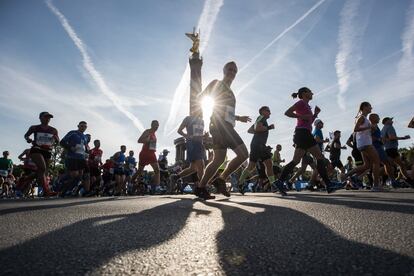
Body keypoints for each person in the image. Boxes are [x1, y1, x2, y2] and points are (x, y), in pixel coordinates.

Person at [197, 61, 251, 197]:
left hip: (224, 125)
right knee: (244, 154)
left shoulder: (231, 92)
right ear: (224, 70)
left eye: (234, 71)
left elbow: (227, 111)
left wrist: (239, 118)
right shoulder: (217, 83)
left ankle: (201, 187)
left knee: (218, 159)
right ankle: (220, 179)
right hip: (220, 125)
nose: (232, 73)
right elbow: (200, 97)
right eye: (230, 69)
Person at [273, 87, 336, 194]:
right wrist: (301, 116)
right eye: (310, 91)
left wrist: (315, 114)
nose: (312, 93)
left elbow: (309, 121)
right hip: (303, 133)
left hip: (303, 133)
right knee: (319, 157)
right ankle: (328, 184)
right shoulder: (301, 103)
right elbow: (287, 112)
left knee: (296, 161)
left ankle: (279, 181)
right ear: (304, 93)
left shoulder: (307, 106)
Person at [174, 108, 214, 199]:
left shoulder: (202, 121)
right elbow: (179, 130)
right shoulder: (188, 119)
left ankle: (176, 177)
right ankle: (202, 189)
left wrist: (204, 136)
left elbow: (199, 135)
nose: (199, 111)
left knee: (192, 169)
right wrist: (186, 136)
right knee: (201, 167)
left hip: (200, 145)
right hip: (192, 145)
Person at [344, 102, 382, 191]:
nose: (371, 108)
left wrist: (372, 129)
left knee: (367, 165)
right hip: (365, 143)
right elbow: (356, 129)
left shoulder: (365, 119)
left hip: (362, 144)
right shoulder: (361, 117)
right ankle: (376, 186)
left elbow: (365, 132)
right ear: (365, 107)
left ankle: (346, 175)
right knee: (376, 162)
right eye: (370, 106)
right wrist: (369, 128)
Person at [238, 106, 276, 195]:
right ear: (262, 112)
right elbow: (257, 128)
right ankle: (273, 184)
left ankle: (240, 183)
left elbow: (250, 130)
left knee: (255, 165)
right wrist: (269, 127)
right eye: (268, 111)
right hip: (258, 145)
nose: (270, 112)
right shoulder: (261, 118)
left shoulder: (260, 120)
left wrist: (259, 130)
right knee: (267, 164)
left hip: (258, 144)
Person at [24, 112, 59, 196]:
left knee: (43, 171)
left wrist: (56, 139)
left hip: (47, 151)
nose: (47, 119)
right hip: (37, 149)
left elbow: (57, 141)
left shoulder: (53, 130)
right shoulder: (34, 127)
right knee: (42, 168)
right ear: (40, 118)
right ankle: (47, 191)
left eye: (49, 117)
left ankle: (25, 179)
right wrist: (28, 139)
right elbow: (26, 135)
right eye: (45, 117)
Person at [59, 121, 88, 196]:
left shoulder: (85, 137)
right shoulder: (73, 133)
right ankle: (60, 182)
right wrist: (70, 148)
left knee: (81, 176)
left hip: (81, 158)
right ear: (78, 126)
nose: (83, 128)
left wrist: (86, 153)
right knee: (74, 174)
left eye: (85, 126)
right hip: (72, 157)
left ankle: (69, 190)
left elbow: (84, 147)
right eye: (81, 126)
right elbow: (62, 142)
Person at [381, 117, 413, 185]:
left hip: (387, 148)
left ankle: (405, 179)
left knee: (398, 165)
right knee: (390, 165)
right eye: (390, 119)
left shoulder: (383, 129)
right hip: (391, 149)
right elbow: (391, 137)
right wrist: (404, 138)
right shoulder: (389, 127)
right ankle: (394, 180)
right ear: (386, 121)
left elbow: (383, 140)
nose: (392, 121)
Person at [132, 120, 161, 194]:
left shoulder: (154, 134)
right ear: (151, 125)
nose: (157, 127)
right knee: (139, 171)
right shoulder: (147, 131)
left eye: (158, 125)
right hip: (144, 153)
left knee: (157, 170)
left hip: (151, 153)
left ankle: (157, 188)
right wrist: (146, 140)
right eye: (155, 125)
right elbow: (139, 140)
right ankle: (131, 182)